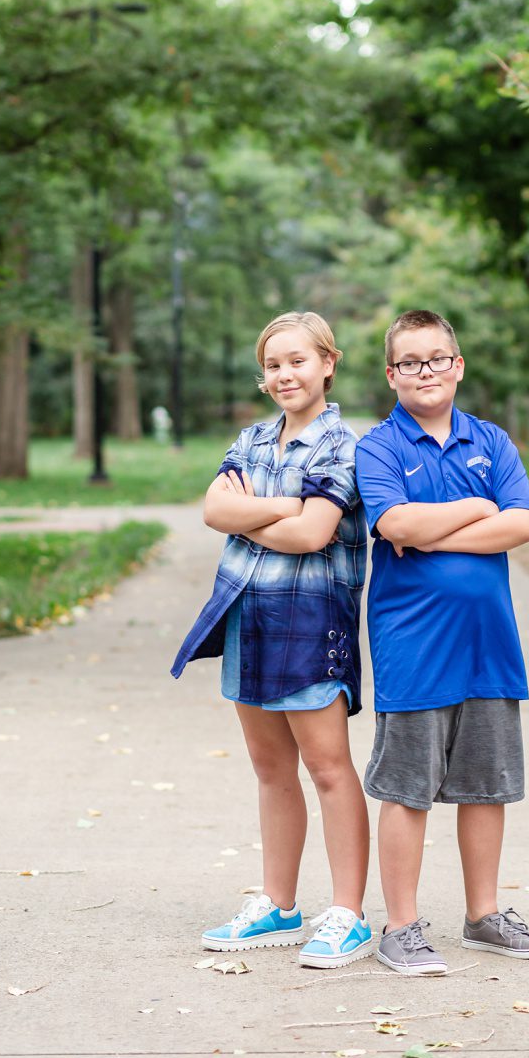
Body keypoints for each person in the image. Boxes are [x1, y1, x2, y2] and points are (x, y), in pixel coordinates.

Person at [170, 311, 374, 967]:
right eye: (274, 364)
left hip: (313, 620)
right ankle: (280, 905)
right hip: (247, 615)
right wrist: (288, 506)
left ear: (328, 363)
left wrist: (258, 511)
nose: (285, 373)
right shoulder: (252, 438)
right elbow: (213, 509)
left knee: (327, 767)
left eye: (298, 360)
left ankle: (347, 911)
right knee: (269, 767)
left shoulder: (346, 446)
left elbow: (313, 535)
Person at [353, 309, 529, 975]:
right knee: (407, 787)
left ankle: (483, 914)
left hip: (488, 644)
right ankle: (401, 926)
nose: (426, 370)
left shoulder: (490, 440)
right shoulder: (379, 447)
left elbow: (523, 523)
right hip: (413, 645)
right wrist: (476, 508)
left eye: (437, 357)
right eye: (410, 361)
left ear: (458, 365)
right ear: (391, 374)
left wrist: (432, 532)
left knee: (485, 785)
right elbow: (395, 521)